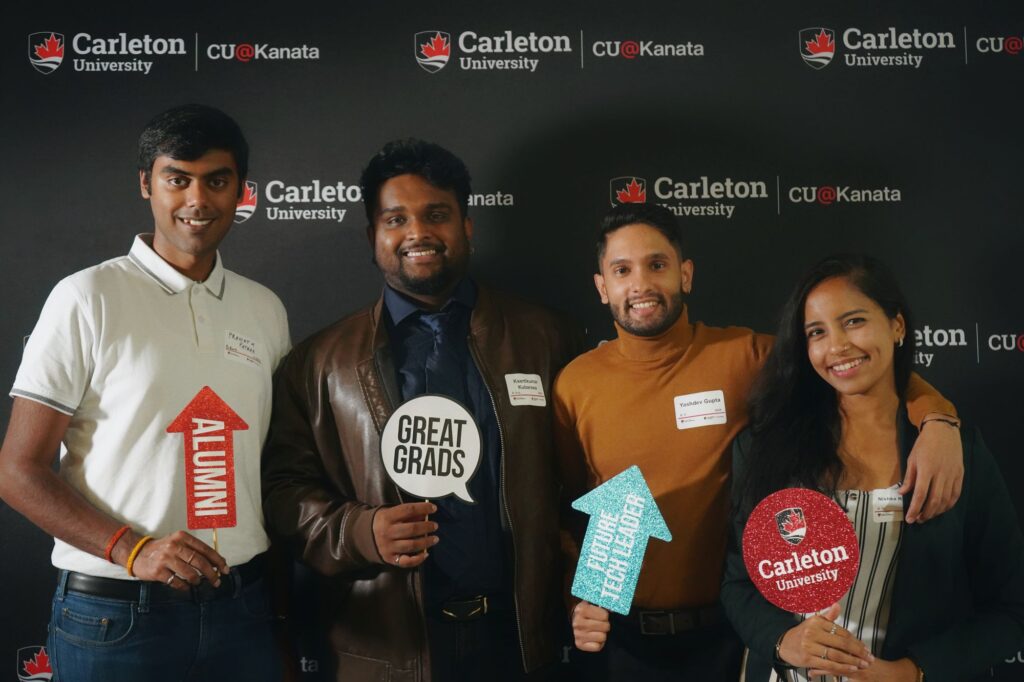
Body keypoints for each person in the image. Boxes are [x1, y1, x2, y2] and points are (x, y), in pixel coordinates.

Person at [554, 204, 964, 680]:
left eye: (657, 264)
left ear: (685, 274)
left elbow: (854, 366)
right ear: (602, 286)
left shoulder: (746, 356)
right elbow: (570, 512)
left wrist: (938, 419)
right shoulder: (575, 385)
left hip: (733, 634)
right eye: (622, 270)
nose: (641, 283)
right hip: (622, 641)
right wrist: (576, 599)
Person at [261, 138, 582, 681]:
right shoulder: (319, 362)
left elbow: (595, 484)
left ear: (467, 226)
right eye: (396, 219)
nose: (418, 233)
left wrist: (596, 595)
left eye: (437, 215)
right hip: (389, 648)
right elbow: (281, 492)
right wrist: (360, 531)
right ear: (372, 235)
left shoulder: (544, 338)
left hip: (522, 644)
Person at [0, 105, 290, 680]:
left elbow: (278, 466)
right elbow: (17, 471)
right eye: (177, 179)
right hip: (116, 617)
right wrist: (134, 549)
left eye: (217, 181)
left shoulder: (265, 309)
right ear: (146, 184)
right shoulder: (86, 297)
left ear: (241, 191)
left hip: (243, 609)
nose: (197, 200)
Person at [721, 253, 1024, 681]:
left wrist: (911, 672)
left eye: (854, 321)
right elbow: (738, 584)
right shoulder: (764, 447)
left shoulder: (956, 451)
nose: (837, 346)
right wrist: (782, 641)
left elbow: (1011, 610)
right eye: (817, 332)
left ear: (897, 326)